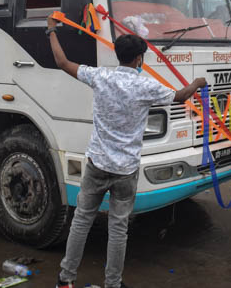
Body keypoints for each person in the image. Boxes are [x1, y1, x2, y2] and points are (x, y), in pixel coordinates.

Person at [47, 16, 206, 288]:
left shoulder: (100, 76)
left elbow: (62, 63)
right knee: (118, 229)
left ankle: (66, 278)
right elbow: (180, 97)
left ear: (119, 56)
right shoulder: (146, 86)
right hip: (126, 170)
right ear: (139, 59)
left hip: (97, 164)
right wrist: (197, 84)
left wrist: (51, 31)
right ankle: (113, 283)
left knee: (81, 221)